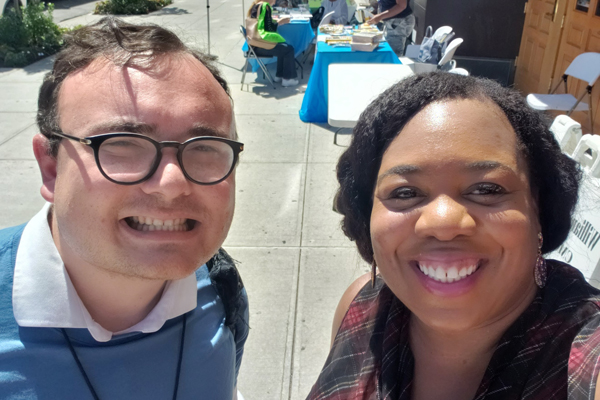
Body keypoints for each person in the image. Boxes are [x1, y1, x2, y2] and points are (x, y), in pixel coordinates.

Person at [307, 72, 600, 400]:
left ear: (539, 208)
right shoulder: (360, 307)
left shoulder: (589, 358)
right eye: (405, 193)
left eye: (486, 189)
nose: (443, 223)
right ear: (367, 215)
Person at [0, 17, 249, 400]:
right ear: (51, 168)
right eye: (122, 144)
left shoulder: (221, 286)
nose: (171, 184)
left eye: (204, 147)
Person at [247, 0, 299, 87]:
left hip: (254, 45)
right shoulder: (265, 6)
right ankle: (288, 79)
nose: (275, 1)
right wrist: (280, 22)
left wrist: (274, 21)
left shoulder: (257, 5)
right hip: (260, 45)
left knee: (283, 47)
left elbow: (263, 25)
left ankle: (279, 76)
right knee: (288, 49)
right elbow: (269, 29)